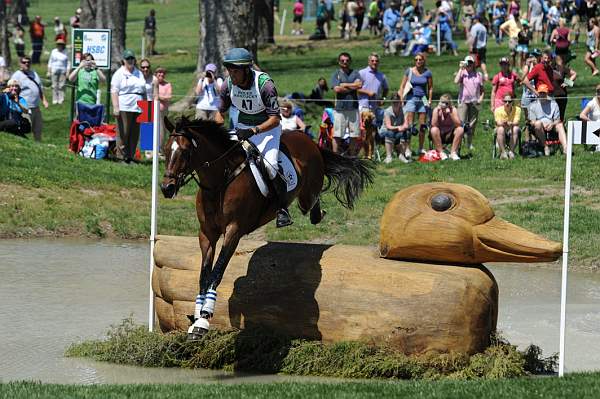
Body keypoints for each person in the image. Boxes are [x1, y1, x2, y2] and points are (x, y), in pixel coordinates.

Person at [215, 47, 292, 228]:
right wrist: (215, 131)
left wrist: (254, 131)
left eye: (235, 71)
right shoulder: (227, 85)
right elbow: (220, 112)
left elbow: (275, 118)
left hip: (267, 129)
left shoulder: (265, 85)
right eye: (229, 70)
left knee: (270, 166)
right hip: (242, 127)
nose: (231, 74)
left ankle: (282, 209)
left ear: (246, 69)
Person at [111, 49, 146, 163]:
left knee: (134, 133)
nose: (130, 60)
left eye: (132, 58)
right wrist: (116, 107)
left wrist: (145, 107)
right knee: (123, 132)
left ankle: (130, 156)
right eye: (128, 59)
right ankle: (121, 156)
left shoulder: (139, 73)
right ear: (123, 60)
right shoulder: (119, 73)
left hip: (138, 106)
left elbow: (143, 90)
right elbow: (114, 91)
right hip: (124, 106)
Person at [398, 52, 433, 155]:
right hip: (411, 97)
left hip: (423, 98)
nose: (418, 61)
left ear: (423, 61)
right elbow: (402, 86)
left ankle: (421, 148)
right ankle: (408, 148)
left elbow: (430, 88)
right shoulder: (409, 71)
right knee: (410, 125)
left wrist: (429, 100)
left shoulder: (427, 72)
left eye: (420, 59)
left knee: (423, 125)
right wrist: (401, 99)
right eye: (416, 59)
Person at [330, 51, 362, 155]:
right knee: (337, 134)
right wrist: (352, 87)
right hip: (340, 109)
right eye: (342, 60)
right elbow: (337, 89)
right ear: (339, 62)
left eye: (347, 60)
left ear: (350, 61)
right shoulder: (336, 74)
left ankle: (352, 156)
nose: (345, 62)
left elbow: (359, 85)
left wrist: (344, 84)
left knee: (354, 134)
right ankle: (336, 156)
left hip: (353, 107)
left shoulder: (355, 73)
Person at [10, 56, 48, 141]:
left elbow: (39, 87)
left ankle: (38, 145)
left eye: (28, 62)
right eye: (24, 62)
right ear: (20, 64)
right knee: (25, 128)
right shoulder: (17, 75)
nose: (26, 64)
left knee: (38, 128)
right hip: (24, 107)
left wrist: (44, 100)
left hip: (36, 107)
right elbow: (11, 90)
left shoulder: (34, 73)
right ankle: (24, 145)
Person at [454, 55, 484, 151]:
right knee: (461, 123)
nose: (469, 65)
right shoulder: (462, 73)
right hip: (463, 101)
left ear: (473, 64)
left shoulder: (479, 75)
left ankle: (469, 143)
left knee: (472, 124)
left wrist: (480, 99)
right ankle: (458, 142)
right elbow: (456, 81)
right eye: (467, 63)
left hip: (475, 102)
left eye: (471, 63)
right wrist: (460, 69)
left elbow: (482, 90)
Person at [528, 83, 567, 155]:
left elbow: (557, 119)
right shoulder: (533, 105)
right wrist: (541, 124)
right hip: (539, 126)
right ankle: (545, 147)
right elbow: (532, 121)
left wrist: (552, 124)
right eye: (541, 93)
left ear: (547, 93)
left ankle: (565, 148)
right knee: (537, 123)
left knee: (560, 125)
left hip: (551, 124)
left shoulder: (554, 104)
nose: (542, 94)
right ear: (538, 93)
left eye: (544, 93)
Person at [430, 94, 463, 160]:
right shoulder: (436, 110)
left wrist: (450, 113)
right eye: (442, 102)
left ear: (449, 104)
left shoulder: (453, 110)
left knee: (460, 129)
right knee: (433, 129)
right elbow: (433, 124)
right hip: (439, 135)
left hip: (450, 134)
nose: (444, 104)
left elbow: (458, 124)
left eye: (446, 103)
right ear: (439, 102)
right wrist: (437, 112)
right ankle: (441, 153)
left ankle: (453, 153)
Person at [357, 52, 388, 124]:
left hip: (375, 107)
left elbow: (386, 89)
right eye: (372, 61)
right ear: (369, 62)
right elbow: (356, 88)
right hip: (363, 105)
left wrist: (383, 99)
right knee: (363, 128)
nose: (375, 63)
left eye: (376, 61)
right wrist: (368, 92)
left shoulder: (381, 75)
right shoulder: (362, 73)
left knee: (373, 129)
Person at [378, 93, 410, 163]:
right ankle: (388, 156)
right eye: (393, 102)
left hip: (398, 131)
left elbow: (406, 125)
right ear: (391, 102)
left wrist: (403, 128)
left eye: (397, 102)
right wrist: (399, 127)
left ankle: (402, 155)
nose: (395, 103)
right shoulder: (387, 111)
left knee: (407, 133)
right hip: (385, 132)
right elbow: (388, 126)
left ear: (400, 102)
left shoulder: (404, 110)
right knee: (390, 133)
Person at [493, 94, 521, 159]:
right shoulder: (497, 110)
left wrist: (511, 123)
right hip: (502, 129)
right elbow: (498, 123)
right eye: (505, 101)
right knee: (500, 129)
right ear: (503, 102)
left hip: (512, 128)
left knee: (516, 128)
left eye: (509, 101)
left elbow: (516, 122)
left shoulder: (518, 109)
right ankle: (503, 152)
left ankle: (511, 151)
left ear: (512, 102)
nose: (507, 103)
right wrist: (505, 123)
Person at [550, 56, 577, 122]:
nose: (549, 61)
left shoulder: (561, 68)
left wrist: (568, 83)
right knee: (551, 117)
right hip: (550, 96)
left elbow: (574, 74)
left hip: (562, 95)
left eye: (550, 59)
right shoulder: (545, 69)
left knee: (560, 117)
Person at [47, 38, 70, 105]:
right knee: (54, 85)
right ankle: (55, 99)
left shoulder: (66, 52)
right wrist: (49, 71)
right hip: (54, 70)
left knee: (61, 85)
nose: (59, 45)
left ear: (63, 45)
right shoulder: (53, 51)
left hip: (63, 71)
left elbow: (68, 63)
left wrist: (68, 72)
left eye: (61, 44)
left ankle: (61, 99)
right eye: (58, 44)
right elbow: (50, 61)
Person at [579, 84, 600, 151]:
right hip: (594, 127)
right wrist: (591, 122)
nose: (599, 93)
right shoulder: (592, 103)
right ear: (596, 93)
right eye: (598, 91)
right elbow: (582, 115)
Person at [155, 67, 172, 153]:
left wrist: (158, 97)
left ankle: (160, 149)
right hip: (151, 109)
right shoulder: (153, 83)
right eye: (159, 72)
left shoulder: (167, 84)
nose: (161, 74)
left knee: (161, 130)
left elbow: (169, 97)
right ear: (156, 74)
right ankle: (149, 150)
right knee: (150, 129)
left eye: (163, 73)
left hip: (162, 111)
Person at [468, 15, 489, 80]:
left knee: (472, 61)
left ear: (477, 20)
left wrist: (471, 46)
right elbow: (486, 38)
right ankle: (486, 75)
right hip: (483, 47)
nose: (472, 20)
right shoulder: (483, 27)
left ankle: (472, 75)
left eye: (473, 19)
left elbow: (473, 37)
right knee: (482, 61)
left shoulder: (474, 27)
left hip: (476, 47)